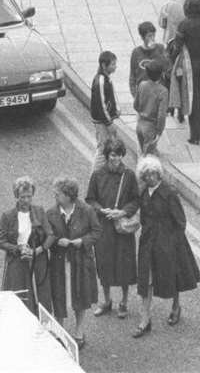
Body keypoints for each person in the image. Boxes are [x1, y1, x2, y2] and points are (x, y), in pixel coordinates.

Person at [128, 156, 200, 337]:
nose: (150, 177)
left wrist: (172, 243)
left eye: (153, 173)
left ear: (159, 173)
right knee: (146, 280)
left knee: (172, 276)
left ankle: (176, 306)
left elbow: (181, 222)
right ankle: (145, 320)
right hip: (148, 242)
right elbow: (142, 216)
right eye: (147, 174)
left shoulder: (169, 193)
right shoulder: (144, 192)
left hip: (167, 242)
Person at [85, 135, 138, 318]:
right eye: (112, 155)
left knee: (125, 265)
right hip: (104, 227)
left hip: (122, 228)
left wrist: (123, 212)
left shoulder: (129, 175)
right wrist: (102, 210)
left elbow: (135, 200)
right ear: (107, 156)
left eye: (119, 155)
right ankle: (106, 300)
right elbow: (90, 199)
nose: (116, 159)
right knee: (105, 264)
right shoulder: (97, 175)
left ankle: (124, 302)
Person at [44, 176, 100, 348]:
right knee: (59, 294)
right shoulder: (51, 213)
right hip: (59, 262)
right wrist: (55, 241)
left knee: (80, 295)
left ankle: (79, 330)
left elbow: (96, 231)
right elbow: (47, 235)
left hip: (80, 261)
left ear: (69, 195)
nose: (55, 196)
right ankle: (59, 329)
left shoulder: (86, 210)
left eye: (58, 193)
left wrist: (82, 241)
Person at [169, 0, 200, 143]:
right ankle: (199, 129)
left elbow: (177, 46)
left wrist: (172, 61)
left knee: (192, 98)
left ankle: (194, 134)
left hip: (190, 66)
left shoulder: (184, 25)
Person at [0, 176, 50, 314]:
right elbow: (2, 242)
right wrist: (18, 248)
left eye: (29, 196)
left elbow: (50, 235)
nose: (26, 200)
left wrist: (38, 250)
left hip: (36, 259)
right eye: (22, 197)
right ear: (16, 196)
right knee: (18, 297)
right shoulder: (7, 216)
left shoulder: (39, 211)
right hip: (17, 261)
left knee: (40, 296)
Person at [133, 58, 169, 155]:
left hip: (140, 125)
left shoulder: (142, 85)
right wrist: (159, 131)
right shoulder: (163, 91)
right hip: (151, 127)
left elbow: (135, 105)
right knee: (148, 158)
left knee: (142, 152)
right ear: (161, 74)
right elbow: (161, 115)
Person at [88, 50, 119, 145]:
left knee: (109, 147)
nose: (115, 67)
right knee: (103, 148)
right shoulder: (100, 81)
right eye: (113, 64)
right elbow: (101, 104)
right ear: (104, 65)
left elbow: (111, 97)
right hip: (102, 122)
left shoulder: (106, 78)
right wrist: (109, 124)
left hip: (105, 119)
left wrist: (116, 109)